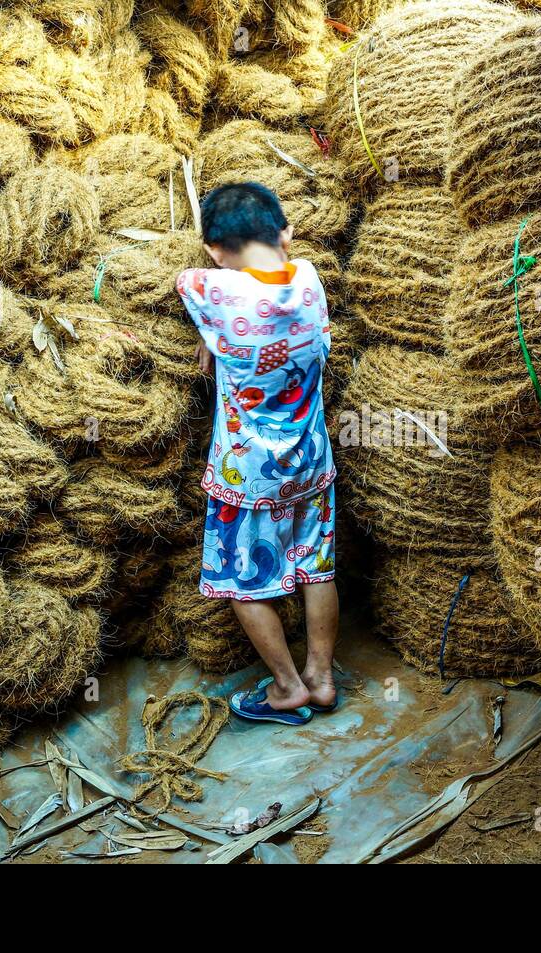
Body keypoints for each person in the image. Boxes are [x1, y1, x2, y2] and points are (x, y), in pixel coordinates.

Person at [175, 181, 339, 726]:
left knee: (243, 581)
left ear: (215, 252)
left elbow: (188, 280)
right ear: (286, 235)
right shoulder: (310, 280)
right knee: (317, 568)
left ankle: (288, 688)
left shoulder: (214, 291)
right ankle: (321, 677)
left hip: (247, 476)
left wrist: (209, 334)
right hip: (311, 464)